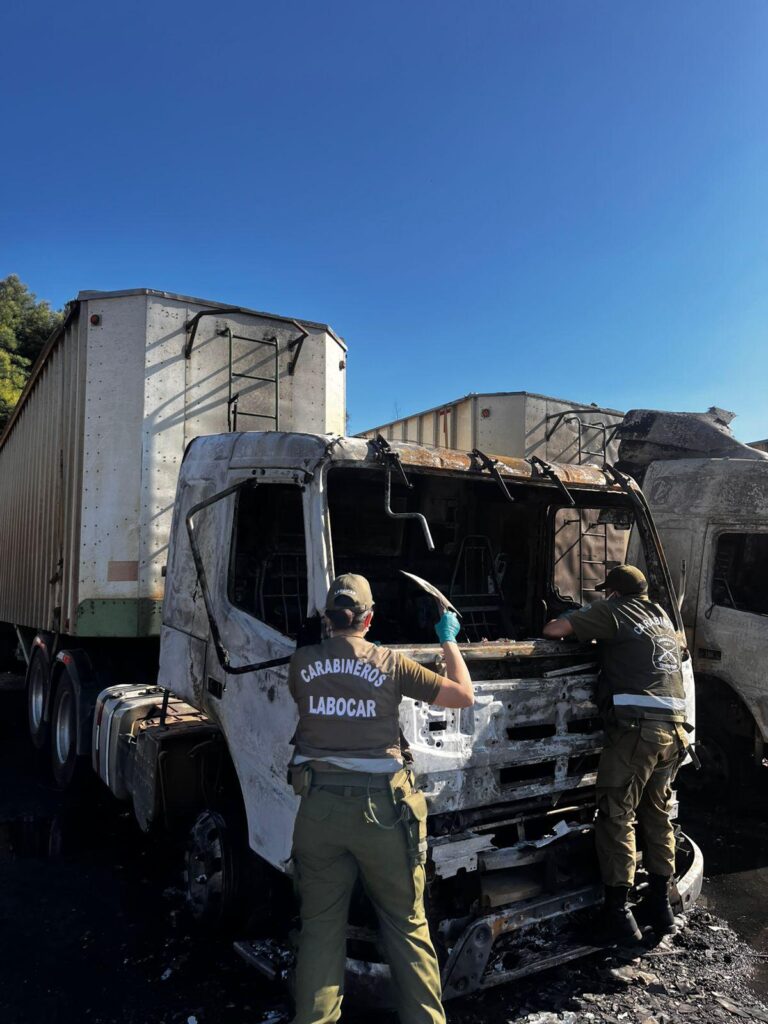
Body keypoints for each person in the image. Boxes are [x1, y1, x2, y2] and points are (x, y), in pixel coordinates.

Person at [287, 573, 474, 1024]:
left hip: (318, 811)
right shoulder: (391, 663)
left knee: (320, 929)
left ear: (328, 618)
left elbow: (316, 689)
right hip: (382, 816)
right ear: (369, 618)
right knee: (406, 926)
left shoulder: (301, 664)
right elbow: (462, 695)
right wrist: (449, 641)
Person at [542, 564, 689, 945]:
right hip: (674, 731)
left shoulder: (614, 610)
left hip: (637, 733)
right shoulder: (661, 615)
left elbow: (554, 631)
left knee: (616, 815)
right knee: (656, 815)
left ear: (615, 592)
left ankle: (618, 916)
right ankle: (661, 905)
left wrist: (578, 616)